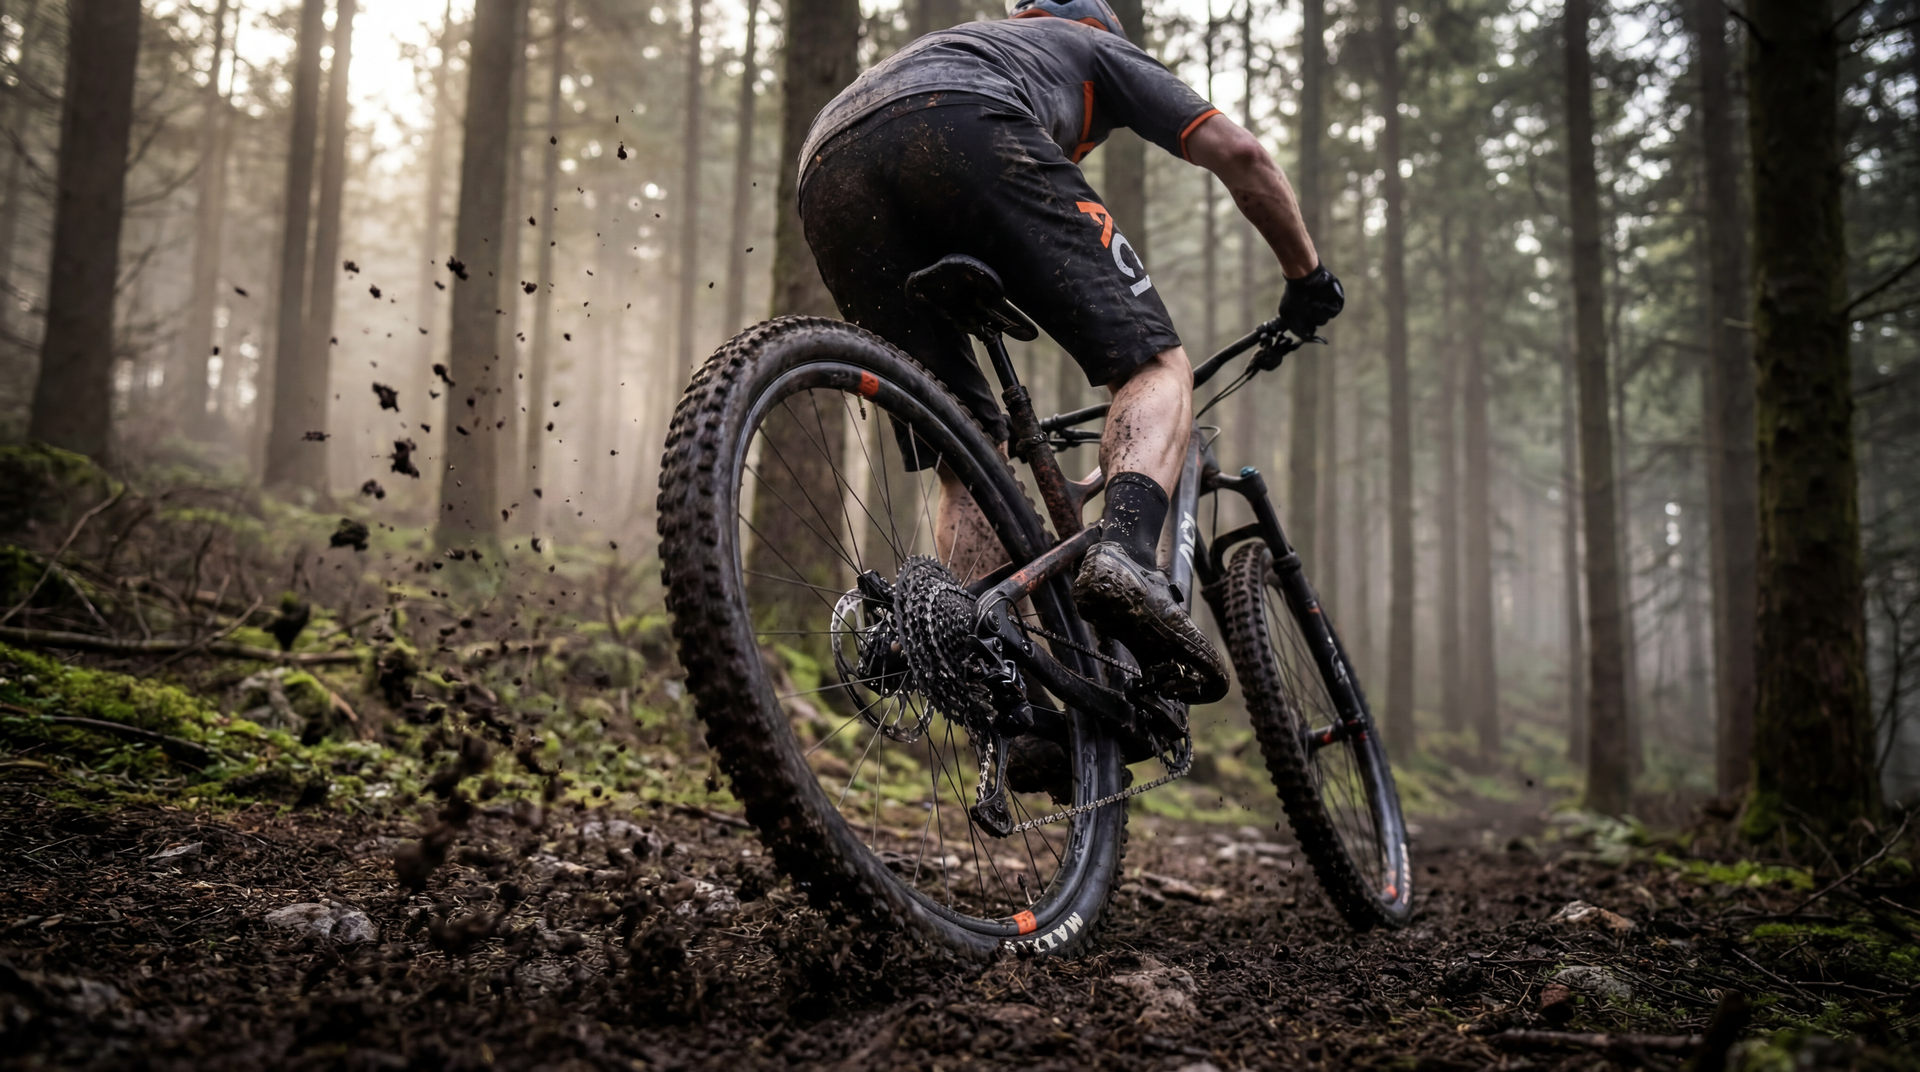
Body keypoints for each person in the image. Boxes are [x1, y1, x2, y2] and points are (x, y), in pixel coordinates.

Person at [797, 0, 1344, 707]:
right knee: (1154, 367)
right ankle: (1125, 555)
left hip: (826, 167)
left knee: (969, 449)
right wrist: (1306, 277)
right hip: (962, 122)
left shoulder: (972, 43)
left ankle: (1010, 702)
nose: (1084, 150)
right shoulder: (1089, 46)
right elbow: (1241, 154)